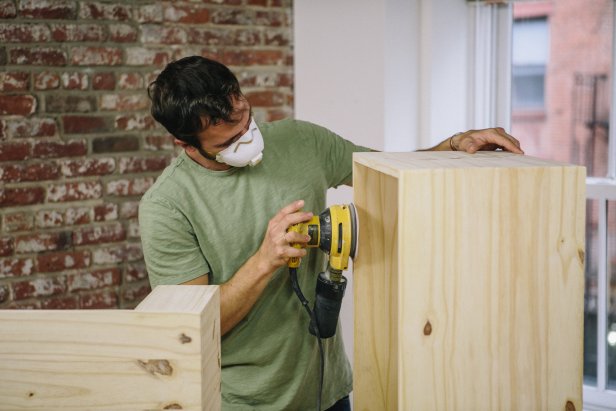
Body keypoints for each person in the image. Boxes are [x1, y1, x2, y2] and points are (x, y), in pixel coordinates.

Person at [140, 55, 524, 411]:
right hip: (242, 401)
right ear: (184, 143)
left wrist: (458, 144)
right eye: (228, 142)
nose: (248, 140)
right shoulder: (167, 206)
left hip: (329, 389)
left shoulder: (302, 140)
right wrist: (264, 260)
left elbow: (390, 171)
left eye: (247, 123)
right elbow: (191, 328)